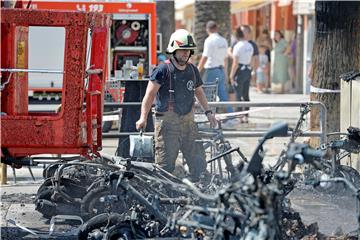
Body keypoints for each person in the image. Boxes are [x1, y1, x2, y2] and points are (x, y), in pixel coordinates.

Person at [136, 29, 217, 181]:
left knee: (198, 163)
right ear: (173, 50)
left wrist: (209, 112)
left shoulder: (192, 70)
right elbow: (150, 95)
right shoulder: (162, 70)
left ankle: (197, 195)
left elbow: (199, 92)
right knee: (164, 168)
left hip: (188, 123)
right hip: (167, 126)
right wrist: (143, 118)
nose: (185, 53)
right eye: (182, 50)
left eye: (188, 50)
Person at [198, 20, 232, 114]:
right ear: (216, 28)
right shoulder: (223, 40)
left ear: (207, 29)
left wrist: (197, 70)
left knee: (207, 94)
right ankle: (231, 116)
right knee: (223, 95)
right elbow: (225, 58)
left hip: (211, 70)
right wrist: (225, 73)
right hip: (221, 70)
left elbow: (205, 57)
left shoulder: (209, 40)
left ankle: (207, 116)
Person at [229, 27, 254, 123]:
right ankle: (246, 115)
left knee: (238, 95)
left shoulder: (238, 46)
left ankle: (240, 116)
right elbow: (251, 60)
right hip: (247, 70)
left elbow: (235, 63)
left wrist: (231, 75)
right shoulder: (250, 46)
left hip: (240, 71)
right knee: (246, 94)